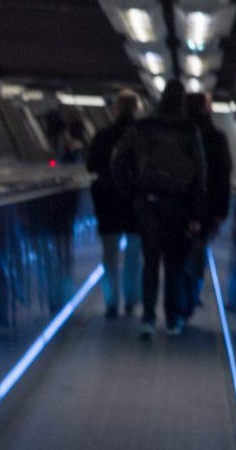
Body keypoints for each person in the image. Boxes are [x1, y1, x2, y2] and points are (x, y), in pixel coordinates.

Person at [112, 87, 207, 338]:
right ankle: (173, 318)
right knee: (174, 263)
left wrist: (131, 193)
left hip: (148, 203)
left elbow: (118, 162)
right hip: (178, 204)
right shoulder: (189, 131)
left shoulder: (142, 127)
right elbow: (200, 174)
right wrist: (196, 213)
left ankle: (148, 318)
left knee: (150, 262)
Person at [85, 91, 143, 317]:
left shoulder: (103, 135)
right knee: (134, 253)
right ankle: (130, 299)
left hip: (108, 201)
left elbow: (91, 166)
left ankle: (111, 302)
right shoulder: (143, 136)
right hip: (135, 202)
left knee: (109, 254)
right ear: (136, 108)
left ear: (116, 109)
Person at [182, 90, 234, 318]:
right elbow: (224, 174)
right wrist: (221, 210)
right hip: (206, 205)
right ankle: (192, 293)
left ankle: (178, 298)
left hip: (177, 202)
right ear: (206, 108)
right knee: (198, 249)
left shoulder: (177, 133)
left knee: (176, 251)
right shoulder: (216, 136)